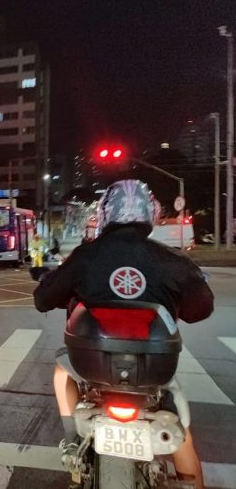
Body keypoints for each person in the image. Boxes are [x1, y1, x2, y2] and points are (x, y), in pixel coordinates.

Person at [33, 180, 213, 488]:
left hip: (93, 365)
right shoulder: (171, 260)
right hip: (154, 369)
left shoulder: (86, 256)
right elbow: (201, 308)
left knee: (62, 372)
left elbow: (43, 299)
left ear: (106, 215)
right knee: (178, 425)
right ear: (148, 214)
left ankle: (73, 440)